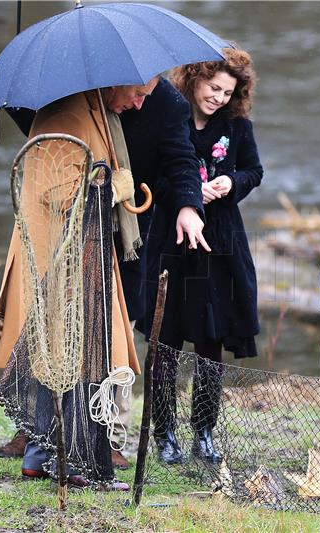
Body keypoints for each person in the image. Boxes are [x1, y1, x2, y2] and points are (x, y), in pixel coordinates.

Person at [0, 80, 154, 490]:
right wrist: (116, 187)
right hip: (58, 261)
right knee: (68, 358)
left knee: (72, 356)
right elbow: (60, 194)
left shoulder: (95, 112)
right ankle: (67, 460)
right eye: (138, 93)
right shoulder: (66, 115)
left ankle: (42, 456)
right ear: (116, 82)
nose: (139, 103)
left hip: (82, 256)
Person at [156, 46, 263, 464]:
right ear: (194, 78)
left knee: (211, 340)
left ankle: (204, 431)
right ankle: (164, 432)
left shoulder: (238, 127)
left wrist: (231, 184)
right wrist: (184, 193)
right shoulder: (168, 118)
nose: (218, 97)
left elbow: (255, 171)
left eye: (227, 92)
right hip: (172, 238)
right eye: (213, 87)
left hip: (221, 240)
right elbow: (152, 177)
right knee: (165, 340)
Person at [115, 76, 211, 465]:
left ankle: (110, 436)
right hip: (72, 218)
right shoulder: (77, 95)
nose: (139, 104)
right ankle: (36, 431)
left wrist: (190, 206)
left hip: (133, 226)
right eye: (134, 92)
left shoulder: (168, 102)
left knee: (120, 321)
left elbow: (182, 158)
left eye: (146, 95)